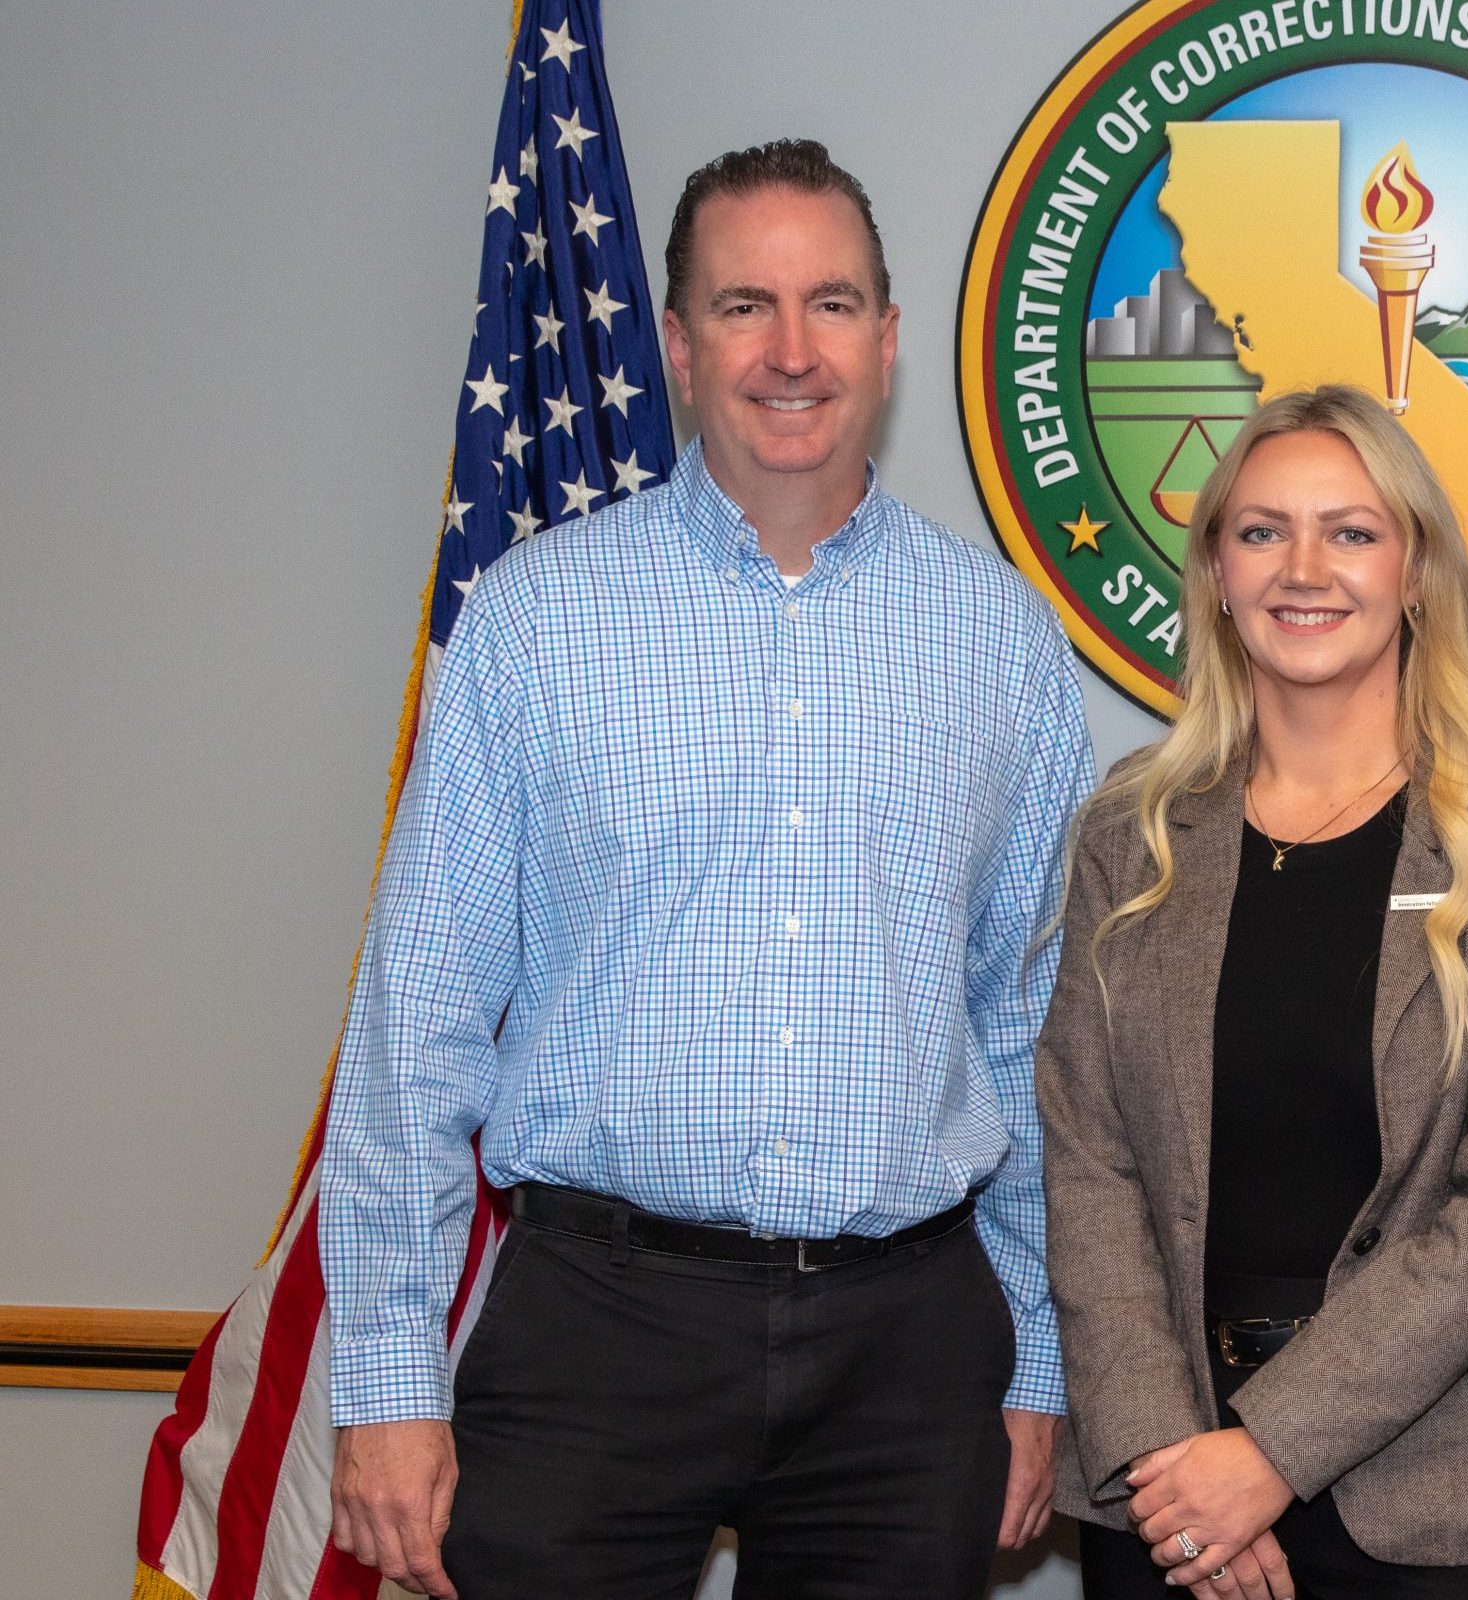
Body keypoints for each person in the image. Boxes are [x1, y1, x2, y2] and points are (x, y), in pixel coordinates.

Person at [316, 139, 1092, 1600]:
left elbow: (1033, 1036)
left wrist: (1037, 1361)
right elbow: (414, 1025)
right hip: (598, 1326)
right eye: (744, 307)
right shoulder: (537, 621)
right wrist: (387, 1381)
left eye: (834, 304)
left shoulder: (1005, 647)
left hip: (907, 1350)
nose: (792, 352)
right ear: (677, 344)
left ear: (889, 334)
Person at [1038, 385, 1468, 1600]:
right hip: (1171, 1487)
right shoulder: (1129, 831)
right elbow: (1090, 1167)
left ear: (1415, 569)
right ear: (1213, 571)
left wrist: (1272, 1449)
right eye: (1261, 532)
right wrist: (1176, 1461)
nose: (1304, 569)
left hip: (1450, 1489)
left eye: (1351, 531)